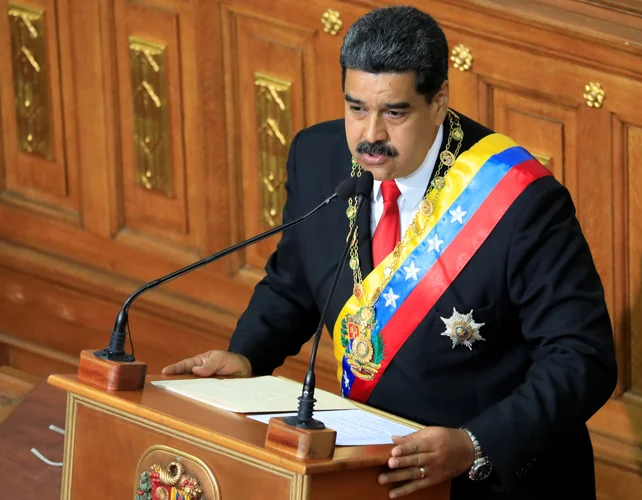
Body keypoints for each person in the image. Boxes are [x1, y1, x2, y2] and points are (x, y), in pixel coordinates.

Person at [162, 5, 617, 499]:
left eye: (394, 112)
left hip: (485, 480)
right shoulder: (317, 157)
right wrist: (246, 356)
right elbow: (294, 283)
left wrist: (474, 443)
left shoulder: (518, 201)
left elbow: (583, 358)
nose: (370, 135)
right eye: (356, 109)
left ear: (439, 101)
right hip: (365, 464)